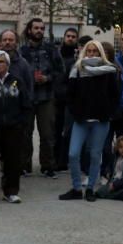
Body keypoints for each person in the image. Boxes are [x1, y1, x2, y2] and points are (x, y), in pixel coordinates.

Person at [59, 40, 120, 202]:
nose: (91, 54)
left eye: (95, 51)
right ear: (84, 52)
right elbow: (70, 95)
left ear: (100, 53)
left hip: (101, 120)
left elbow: (115, 95)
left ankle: (91, 188)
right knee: (73, 154)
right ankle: (77, 188)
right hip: (81, 120)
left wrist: (109, 112)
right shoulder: (77, 70)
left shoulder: (109, 71)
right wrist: (76, 112)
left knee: (95, 155)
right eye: (89, 51)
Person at [0, 50, 32, 204]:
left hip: (13, 127)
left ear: (7, 64)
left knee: (12, 161)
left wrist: (22, 123)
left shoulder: (18, 81)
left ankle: (11, 192)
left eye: (1, 62)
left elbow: (26, 104)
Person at [20, 18, 64, 178]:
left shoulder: (52, 49)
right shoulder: (22, 50)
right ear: (29, 30)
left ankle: (47, 166)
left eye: (42, 28)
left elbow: (61, 71)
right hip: (28, 97)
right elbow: (17, 73)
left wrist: (47, 78)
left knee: (47, 134)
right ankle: (24, 166)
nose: (39, 30)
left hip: (47, 97)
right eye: (36, 28)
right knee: (26, 133)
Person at [55, 27, 79, 172]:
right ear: (64, 37)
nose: (70, 38)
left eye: (73, 36)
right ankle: (56, 160)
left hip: (71, 100)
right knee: (55, 131)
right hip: (56, 98)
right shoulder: (56, 55)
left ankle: (64, 161)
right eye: (68, 36)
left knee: (68, 132)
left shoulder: (78, 57)